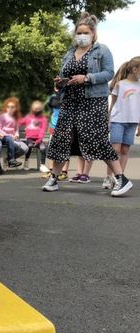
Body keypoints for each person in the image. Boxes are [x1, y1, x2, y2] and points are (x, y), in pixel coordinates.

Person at [44, 12, 132, 196]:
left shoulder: (101, 51)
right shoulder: (69, 53)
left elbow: (109, 73)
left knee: (97, 140)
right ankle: (53, 178)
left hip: (92, 103)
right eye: (78, 32)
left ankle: (121, 179)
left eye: (85, 32)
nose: (81, 36)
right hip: (70, 102)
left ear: (93, 34)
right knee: (62, 138)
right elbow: (64, 75)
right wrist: (60, 82)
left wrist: (87, 78)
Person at [102, 56, 140, 189]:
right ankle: (108, 177)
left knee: (125, 150)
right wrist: (108, 120)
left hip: (132, 122)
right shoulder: (120, 84)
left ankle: (120, 178)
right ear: (135, 69)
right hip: (118, 120)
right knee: (115, 150)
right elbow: (112, 104)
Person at [0, 97, 29, 168]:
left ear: (15, 108)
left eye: (12, 107)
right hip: (5, 138)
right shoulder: (2, 116)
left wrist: (16, 135)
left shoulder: (16, 117)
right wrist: (7, 135)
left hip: (13, 138)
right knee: (15, 144)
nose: (10, 108)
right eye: (8, 107)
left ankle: (7, 159)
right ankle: (11, 159)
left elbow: (16, 129)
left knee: (25, 148)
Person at [20, 100, 49, 171]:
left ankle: (42, 165)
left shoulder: (43, 119)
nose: (37, 110)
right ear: (32, 109)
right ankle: (26, 163)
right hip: (29, 138)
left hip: (39, 139)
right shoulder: (28, 117)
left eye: (39, 109)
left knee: (43, 148)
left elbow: (42, 130)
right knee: (29, 146)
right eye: (36, 109)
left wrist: (38, 140)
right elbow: (20, 122)